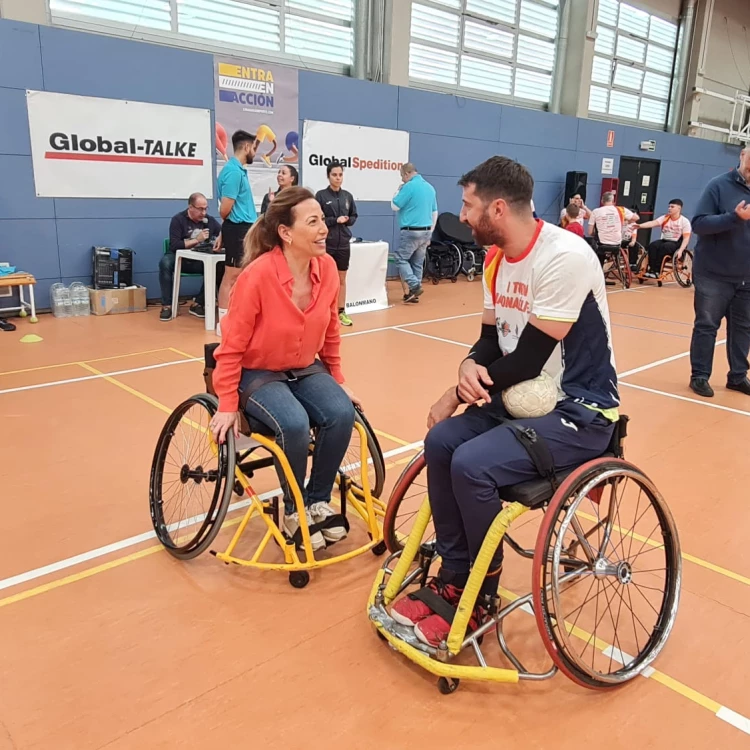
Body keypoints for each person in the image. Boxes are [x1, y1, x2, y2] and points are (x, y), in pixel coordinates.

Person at [389, 156, 619, 648]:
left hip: (580, 409)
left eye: (468, 206)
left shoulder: (566, 256)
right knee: (442, 440)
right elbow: (492, 343)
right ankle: (453, 573)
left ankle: (481, 593)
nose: (462, 216)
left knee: (472, 464)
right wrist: (468, 365)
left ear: (497, 208)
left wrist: (456, 392)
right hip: (517, 399)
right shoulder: (495, 259)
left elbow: (532, 358)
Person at [209, 187, 360, 551]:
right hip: (258, 371)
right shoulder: (258, 276)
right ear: (286, 233)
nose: (323, 228)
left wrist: (338, 381)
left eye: (322, 219)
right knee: (292, 422)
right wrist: (227, 402)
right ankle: (294, 510)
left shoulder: (325, 268)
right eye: (313, 222)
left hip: (305, 367)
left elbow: (332, 331)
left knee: (342, 413)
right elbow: (230, 347)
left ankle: (317, 501)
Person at [688, 148, 750, 398]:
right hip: (713, 274)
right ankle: (700, 376)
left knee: (743, 328)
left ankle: (737, 377)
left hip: (746, 276)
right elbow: (699, 224)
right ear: (743, 155)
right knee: (706, 325)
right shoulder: (718, 186)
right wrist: (734, 218)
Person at [216, 130, 259, 337]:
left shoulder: (239, 171)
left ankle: (237, 317)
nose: (255, 153)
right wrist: (226, 232)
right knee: (231, 276)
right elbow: (225, 210)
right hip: (238, 229)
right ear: (246, 147)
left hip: (244, 229)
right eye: (254, 148)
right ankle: (223, 324)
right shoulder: (233, 173)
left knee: (242, 276)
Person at [158, 193, 223, 322]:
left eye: (205, 208)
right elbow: (175, 245)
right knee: (164, 263)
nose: (203, 213)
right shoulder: (178, 219)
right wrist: (196, 240)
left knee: (220, 266)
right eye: (200, 209)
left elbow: (222, 232)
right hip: (179, 257)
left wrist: (221, 238)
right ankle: (167, 306)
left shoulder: (209, 221)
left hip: (200, 257)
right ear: (190, 207)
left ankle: (198, 303)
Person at [316, 162, 358, 327]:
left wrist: (348, 221)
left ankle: (341, 312)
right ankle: (321, 313)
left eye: (340, 175)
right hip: (326, 244)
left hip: (343, 245)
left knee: (341, 279)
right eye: (334, 175)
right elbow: (318, 219)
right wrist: (335, 220)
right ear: (328, 176)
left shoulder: (347, 196)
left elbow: (354, 215)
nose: (338, 178)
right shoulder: (320, 196)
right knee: (322, 279)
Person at [391, 163, 438, 303]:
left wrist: (398, 192)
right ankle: (414, 294)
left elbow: (394, 206)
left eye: (402, 176)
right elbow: (434, 212)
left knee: (400, 259)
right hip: (426, 231)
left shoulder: (408, 186)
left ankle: (414, 285)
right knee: (417, 263)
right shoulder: (430, 187)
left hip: (411, 231)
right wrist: (430, 232)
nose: (402, 180)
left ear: (406, 173)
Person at [637, 199, 692, 278]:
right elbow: (653, 223)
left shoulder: (684, 221)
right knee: (653, 245)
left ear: (679, 209)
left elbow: (686, 238)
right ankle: (651, 269)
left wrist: (680, 251)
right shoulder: (665, 217)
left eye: (672, 207)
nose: (669, 208)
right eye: (669, 206)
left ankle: (657, 271)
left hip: (676, 243)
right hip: (665, 240)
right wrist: (639, 226)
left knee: (665, 247)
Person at [588, 192, 638, 265]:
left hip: (601, 244)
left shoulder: (596, 211)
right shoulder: (621, 210)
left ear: (602, 201)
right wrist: (625, 220)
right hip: (617, 244)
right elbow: (636, 218)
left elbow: (590, 232)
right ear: (613, 201)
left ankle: (598, 268)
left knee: (594, 243)